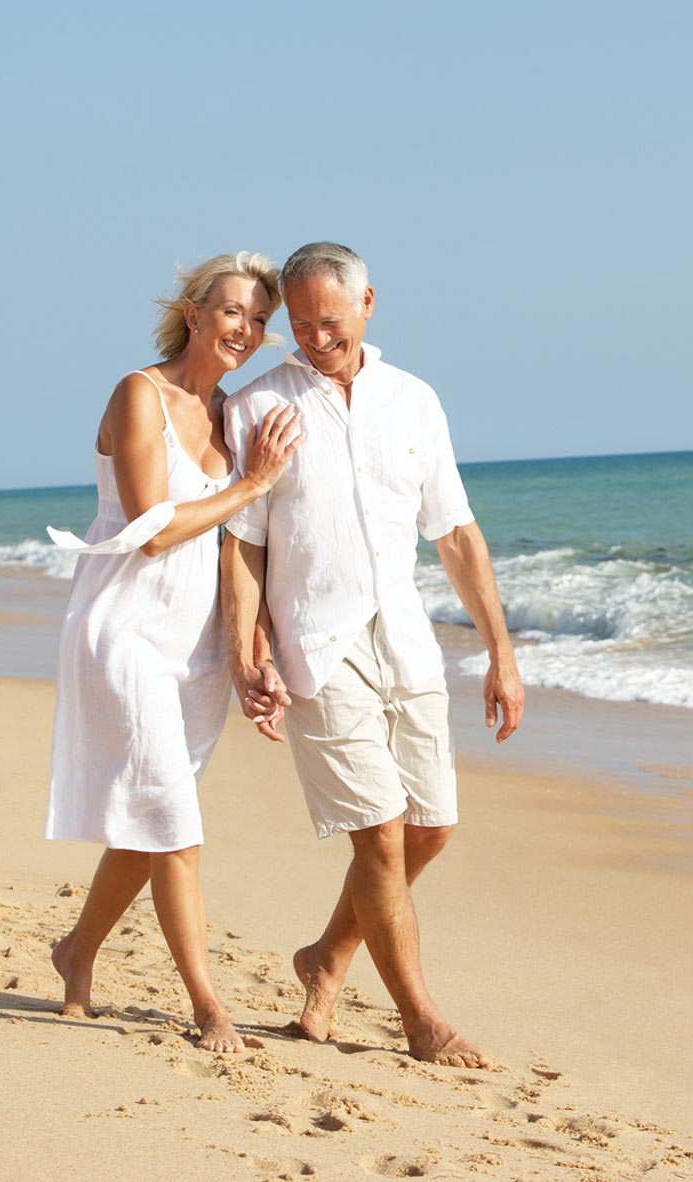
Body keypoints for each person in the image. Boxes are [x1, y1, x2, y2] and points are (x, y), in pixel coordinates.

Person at [221, 241, 524, 1067]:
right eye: (302, 325)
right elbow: (242, 544)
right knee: (380, 836)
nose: (317, 338)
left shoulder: (415, 401)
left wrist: (501, 651)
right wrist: (249, 647)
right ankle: (421, 1020)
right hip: (316, 645)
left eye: (331, 321)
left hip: (407, 641)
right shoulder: (255, 407)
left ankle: (327, 956)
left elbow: (456, 533)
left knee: (430, 828)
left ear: (367, 304)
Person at [45, 251, 302, 1053]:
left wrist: (248, 649)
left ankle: (76, 952)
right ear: (194, 313)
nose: (248, 330)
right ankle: (207, 1005)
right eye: (233, 312)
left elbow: (234, 552)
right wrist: (252, 486)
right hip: (123, 632)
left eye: (261, 320)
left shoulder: (233, 415)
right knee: (177, 825)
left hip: (194, 650)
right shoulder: (138, 394)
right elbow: (153, 530)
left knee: (148, 819)